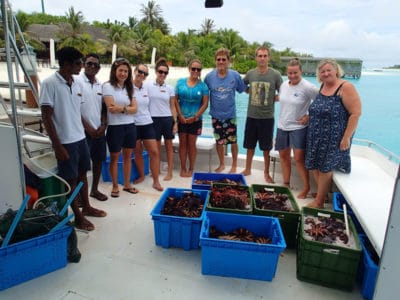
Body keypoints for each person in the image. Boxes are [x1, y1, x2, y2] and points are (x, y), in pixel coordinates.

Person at [40, 47, 106, 231]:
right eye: (79, 63)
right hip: (65, 141)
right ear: (67, 64)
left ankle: (87, 207)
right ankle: (77, 216)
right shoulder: (49, 84)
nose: (82, 66)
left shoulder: (76, 83)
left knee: (83, 174)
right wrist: (57, 146)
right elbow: (46, 116)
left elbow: (77, 111)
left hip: (80, 138)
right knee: (70, 180)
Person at [305, 58, 361, 208]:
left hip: (335, 138)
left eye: (329, 70)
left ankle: (319, 201)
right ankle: (323, 194)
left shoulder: (346, 87)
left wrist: (346, 137)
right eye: (322, 71)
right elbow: (320, 109)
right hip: (316, 135)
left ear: (336, 70)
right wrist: (308, 117)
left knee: (325, 168)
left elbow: (355, 114)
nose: (326, 73)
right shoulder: (323, 86)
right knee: (314, 165)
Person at [275, 58, 318, 198]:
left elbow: (322, 103)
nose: (292, 76)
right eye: (289, 73)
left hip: (298, 127)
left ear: (301, 72)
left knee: (299, 158)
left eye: (295, 73)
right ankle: (286, 183)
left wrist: (309, 116)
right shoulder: (283, 85)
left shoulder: (308, 87)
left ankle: (306, 187)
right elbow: (281, 99)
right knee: (283, 156)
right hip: (282, 125)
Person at [240, 46, 283, 182]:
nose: (262, 58)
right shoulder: (250, 73)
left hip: (267, 118)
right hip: (251, 116)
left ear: (268, 57)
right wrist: (250, 91)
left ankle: (266, 172)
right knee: (250, 145)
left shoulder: (275, 75)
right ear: (256, 58)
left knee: (266, 147)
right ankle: (247, 169)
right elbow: (242, 86)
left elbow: (283, 92)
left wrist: (274, 99)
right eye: (260, 56)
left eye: (265, 56)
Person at [204, 48, 246, 173]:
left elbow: (243, 89)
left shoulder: (235, 75)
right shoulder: (209, 77)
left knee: (233, 141)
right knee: (219, 141)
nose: (221, 62)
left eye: (224, 59)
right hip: (216, 115)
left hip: (230, 114)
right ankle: (222, 164)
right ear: (215, 61)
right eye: (218, 59)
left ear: (228, 61)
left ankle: (234, 165)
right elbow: (204, 95)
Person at [103, 58, 138, 197]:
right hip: (115, 128)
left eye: (126, 71)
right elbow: (111, 108)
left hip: (130, 126)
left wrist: (122, 108)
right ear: (114, 71)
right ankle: (115, 185)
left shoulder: (130, 88)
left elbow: (135, 109)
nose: (123, 73)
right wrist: (127, 108)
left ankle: (127, 184)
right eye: (120, 70)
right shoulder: (107, 86)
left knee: (128, 157)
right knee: (114, 158)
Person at [75, 53, 108, 202]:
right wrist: (88, 128)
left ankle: (94, 190)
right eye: (89, 63)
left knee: (98, 161)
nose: (92, 66)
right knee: (81, 167)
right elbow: (74, 109)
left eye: (95, 65)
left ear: (99, 68)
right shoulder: (76, 82)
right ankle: (80, 196)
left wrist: (103, 125)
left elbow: (103, 108)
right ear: (83, 64)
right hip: (82, 132)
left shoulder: (100, 85)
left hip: (99, 131)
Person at [174, 59, 209, 177]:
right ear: (189, 69)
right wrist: (180, 115)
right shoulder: (180, 83)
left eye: (198, 69)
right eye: (193, 68)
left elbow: (205, 104)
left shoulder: (203, 86)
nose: (195, 71)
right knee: (182, 144)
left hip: (196, 120)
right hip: (182, 119)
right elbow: (175, 100)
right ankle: (183, 168)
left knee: (192, 144)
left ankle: (191, 168)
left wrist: (195, 116)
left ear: (200, 71)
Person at [132, 63, 163, 191]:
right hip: (133, 124)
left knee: (154, 152)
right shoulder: (127, 87)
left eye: (145, 73)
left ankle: (156, 180)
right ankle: (141, 175)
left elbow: (160, 86)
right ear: (134, 71)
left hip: (147, 123)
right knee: (137, 152)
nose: (142, 75)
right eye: (140, 71)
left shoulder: (147, 87)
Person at [147, 58, 177, 181]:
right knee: (156, 148)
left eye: (165, 73)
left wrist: (175, 122)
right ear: (156, 71)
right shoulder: (147, 86)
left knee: (169, 147)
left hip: (167, 119)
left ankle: (169, 172)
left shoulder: (170, 88)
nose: (163, 74)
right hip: (153, 120)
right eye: (161, 71)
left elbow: (172, 106)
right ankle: (156, 169)